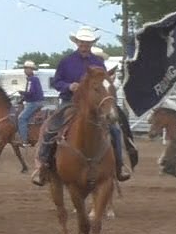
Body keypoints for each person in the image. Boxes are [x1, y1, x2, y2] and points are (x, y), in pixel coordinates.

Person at [30, 26, 131, 186]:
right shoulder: (66, 61)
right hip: (70, 102)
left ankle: (119, 165)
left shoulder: (98, 62)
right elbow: (57, 82)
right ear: (77, 42)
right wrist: (69, 86)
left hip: (94, 105)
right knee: (50, 128)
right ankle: (43, 166)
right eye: (82, 42)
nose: (85, 45)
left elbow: (104, 83)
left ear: (92, 44)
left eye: (88, 42)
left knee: (115, 130)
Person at [16, 60, 44, 144]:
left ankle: (24, 140)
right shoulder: (33, 79)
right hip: (36, 102)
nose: (25, 70)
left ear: (31, 70)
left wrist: (22, 93)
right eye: (25, 68)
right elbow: (31, 93)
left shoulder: (31, 80)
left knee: (21, 118)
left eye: (26, 68)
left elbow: (30, 92)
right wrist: (23, 98)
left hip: (34, 103)